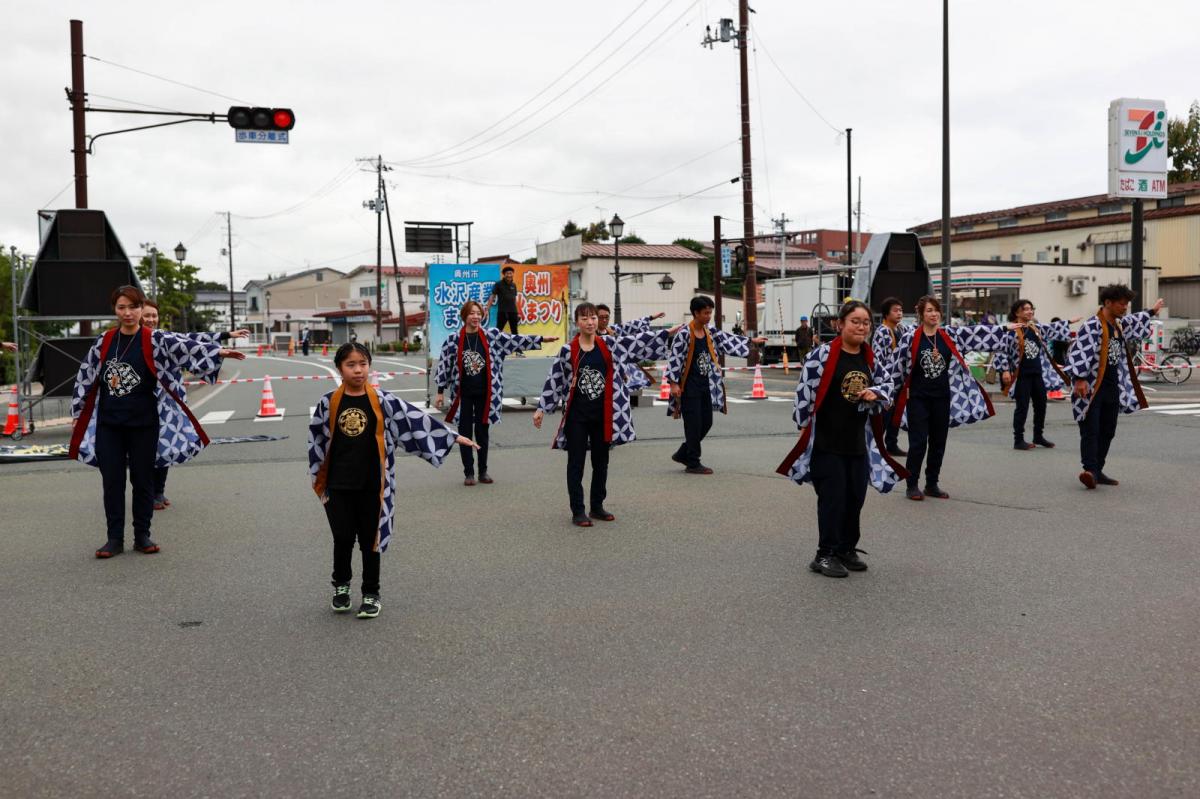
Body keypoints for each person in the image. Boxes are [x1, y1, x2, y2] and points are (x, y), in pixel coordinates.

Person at [69, 286, 245, 558]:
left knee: (142, 480)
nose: (128, 313)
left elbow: (185, 346)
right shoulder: (104, 341)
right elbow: (86, 375)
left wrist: (219, 352)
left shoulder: (154, 339)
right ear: (115, 310)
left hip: (144, 423)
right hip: (109, 424)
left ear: (141, 309)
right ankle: (114, 539)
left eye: (133, 307)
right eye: (121, 308)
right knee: (112, 482)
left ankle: (142, 535)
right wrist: (78, 411)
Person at [309, 342, 476, 619]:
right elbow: (316, 442)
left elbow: (415, 421)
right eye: (351, 365)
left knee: (370, 541)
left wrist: (451, 436)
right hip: (338, 484)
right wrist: (319, 481)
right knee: (342, 537)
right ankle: (341, 586)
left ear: (369, 366)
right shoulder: (329, 402)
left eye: (363, 363)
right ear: (339, 368)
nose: (358, 370)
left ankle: (371, 593)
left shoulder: (383, 400)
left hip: (374, 483)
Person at [776, 301, 907, 578]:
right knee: (833, 498)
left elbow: (888, 387)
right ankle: (824, 554)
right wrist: (803, 428)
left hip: (858, 440)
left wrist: (876, 393)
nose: (861, 327)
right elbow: (804, 392)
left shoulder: (870, 357)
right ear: (840, 325)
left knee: (855, 497)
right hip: (826, 439)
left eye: (865, 323)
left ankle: (847, 548)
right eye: (855, 322)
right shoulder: (821, 355)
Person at [533, 302, 673, 527]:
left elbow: (637, 343)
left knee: (601, 462)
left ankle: (597, 506)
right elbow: (555, 380)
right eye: (585, 318)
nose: (590, 322)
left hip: (604, 414)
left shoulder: (610, 344)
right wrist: (541, 408)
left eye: (593, 318)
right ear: (577, 322)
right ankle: (578, 510)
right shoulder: (568, 351)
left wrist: (665, 333)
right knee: (576, 463)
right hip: (577, 415)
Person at [889, 295, 1013, 501]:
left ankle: (932, 483)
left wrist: (1004, 328)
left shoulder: (949, 335)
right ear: (921, 314)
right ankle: (912, 484)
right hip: (917, 398)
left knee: (939, 441)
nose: (934, 314)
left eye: (936, 310)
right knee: (918, 442)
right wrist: (889, 393)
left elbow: (976, 334)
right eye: (929, 310)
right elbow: (896, 368)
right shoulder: (910, 338)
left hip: (942, 397)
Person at [139, 300, 250, 509]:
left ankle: (159, 491)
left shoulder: (164, 337)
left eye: (154, 315)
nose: (151, 319)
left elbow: (191, 341)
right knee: (148, 449)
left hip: (169, 399)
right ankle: (148, 494)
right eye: (147, 315)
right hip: (143, 401)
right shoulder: (132, 340)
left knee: (168, 445)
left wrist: (225, 338)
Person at [434, 300, 555, 485]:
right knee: (464, 433)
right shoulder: (453, 339)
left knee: (483, 432)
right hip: (463, 394)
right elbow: (444, 365)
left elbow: (514, 341)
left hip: (486, 394)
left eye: (478, 313)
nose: (476, 317)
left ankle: (483, 471)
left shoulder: (492, 336)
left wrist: (540, 339)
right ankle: (469, 472)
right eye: (472, 313)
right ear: (464, 316)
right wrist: (440, 391)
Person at [1066, 286, 1164, 489]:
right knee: (1090, 430)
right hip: (1092, 386)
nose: (1125, 308)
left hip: (1112, 386)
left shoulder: (1118, 325)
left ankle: (1097, 469)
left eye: (1126, 304)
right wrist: (1079, 378)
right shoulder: (1092, 325)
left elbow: (1134, 320)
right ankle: (1090, 470)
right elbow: (1080, 351)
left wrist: (1151, 312)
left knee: (1108, 430)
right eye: (1121, 303)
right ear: (1108, 302)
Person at [665, 296, 766, 474]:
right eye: (705, 313)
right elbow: (674, 359)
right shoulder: (684, 334)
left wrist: (751, 341)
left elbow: (728, 339)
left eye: (710, 312)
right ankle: (693, 462)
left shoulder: (709, 331)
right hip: (689, 386)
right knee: (693, 424)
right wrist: (673, 384)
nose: (709, 316)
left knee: (707, 422)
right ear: (695, 313)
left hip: (706, 384)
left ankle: (683, 452)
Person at [992, 300, 1078, 450]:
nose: (1029, 311)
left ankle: (1038, 435)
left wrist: (1069, 322)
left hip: (1037, 373)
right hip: (1021, 375)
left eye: (1031, 309)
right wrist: (1004, 370)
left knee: (1041, 405)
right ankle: (1018, 439)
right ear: (1017, 312)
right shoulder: (1011, 330)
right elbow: (1001, 349)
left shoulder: (1035, 328)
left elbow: (1051, 328)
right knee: (1022, 407)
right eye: (1025, 309)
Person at [870, 296, 911, 457]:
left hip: (900, 381)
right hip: (887, 381)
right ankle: (877, 445)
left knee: (896, 414)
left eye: (900, 310)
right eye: (895, 310)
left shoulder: (902, 329)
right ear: (886, 314)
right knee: (884, 415)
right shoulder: (882, 332)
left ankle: (891, 444)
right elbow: (877, 358)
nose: (899, 313)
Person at [596, 304, 667, 392]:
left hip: (617, 369)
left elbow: (630, 325)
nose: (604, 320)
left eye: (607, 317)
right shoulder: (590, 335)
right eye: (601, 317)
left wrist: (651, 317)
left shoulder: (613, 330)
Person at [484, 265, 521, 338]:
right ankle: (496, 346)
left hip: (513, 311)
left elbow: (514, 299)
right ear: (504, 274)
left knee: (515, 331)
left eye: (510, 273)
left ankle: (517, 347)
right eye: (507, 273)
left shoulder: (514, 285)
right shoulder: (498, 284)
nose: (509, 275)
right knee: (498, 330)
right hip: (502, 311)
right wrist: (487, 309)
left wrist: (518, 312)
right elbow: (492, 296)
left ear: (513, 274)